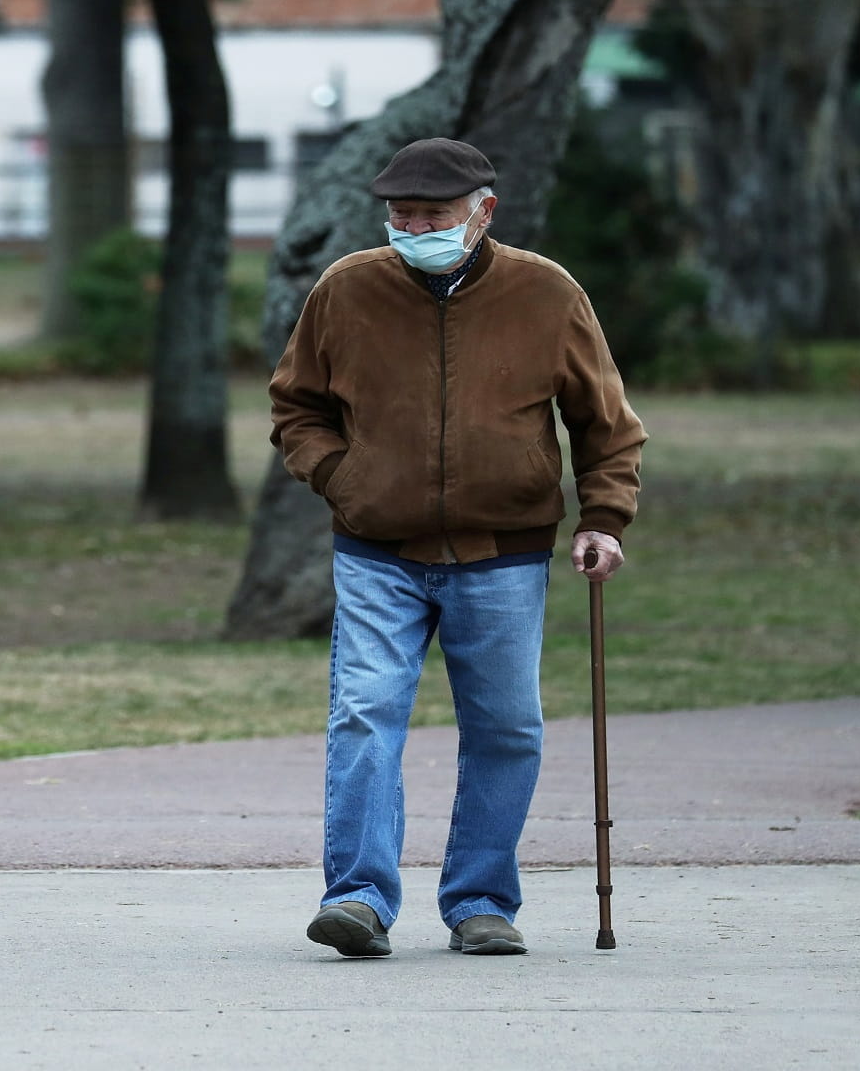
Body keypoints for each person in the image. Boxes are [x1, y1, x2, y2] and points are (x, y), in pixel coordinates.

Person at [268, 137, 647, 958]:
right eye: (400, 215)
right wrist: (344, 478)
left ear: (483, 212)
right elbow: (296, 406)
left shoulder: (546, 293)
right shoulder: (347, 289)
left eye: (432, 216)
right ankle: (359, 899)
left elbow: (605, 424)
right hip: (376, 549)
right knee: (365, 715)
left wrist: (603, 519)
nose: (413, 228)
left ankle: (480, 902)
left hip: (504, 553)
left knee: (507, 726)